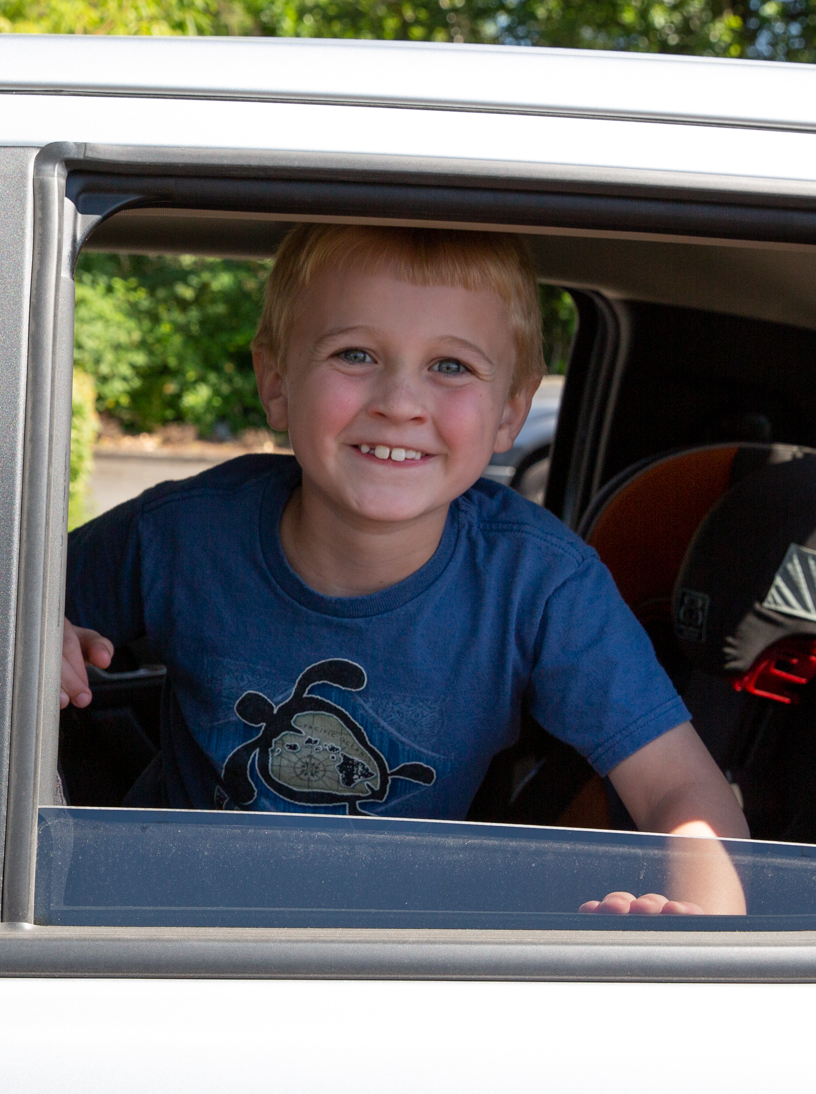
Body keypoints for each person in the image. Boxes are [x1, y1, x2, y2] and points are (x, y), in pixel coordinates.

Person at [59, 223, 748, 915]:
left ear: (511, 410)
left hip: (396, 955)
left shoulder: (539, 584)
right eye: (355, 354)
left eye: (450, 366)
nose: (399, 403)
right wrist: (37, 635)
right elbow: (1, 607)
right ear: (276, 381)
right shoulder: (180, 533)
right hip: (155, 931)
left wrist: (699, 926)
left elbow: (678, 787)